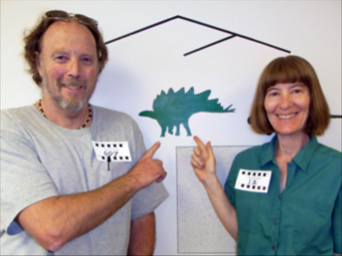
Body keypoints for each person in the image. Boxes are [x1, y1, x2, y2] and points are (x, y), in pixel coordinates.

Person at [0, 10, 168, 255]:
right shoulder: (10, 128)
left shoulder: (123, 127)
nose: (75, 71)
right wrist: (133, 180)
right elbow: (51, 230)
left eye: (86, 59)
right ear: (39, 63)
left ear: (98, 66)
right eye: (61, 57)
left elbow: (141, 215)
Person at [191, 55, 341, 255]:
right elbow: (243, 233)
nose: (285, 103)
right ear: (263, 103)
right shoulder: (245, 162)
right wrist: (209, 181)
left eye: (296, 91)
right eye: (274, 93)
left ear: (313, 99)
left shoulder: (335, 168)